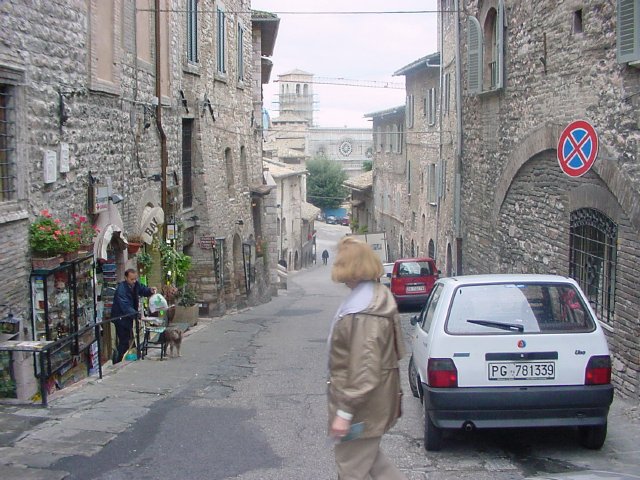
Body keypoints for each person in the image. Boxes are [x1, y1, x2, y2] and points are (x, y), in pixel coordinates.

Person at [327, 237, 406, 480]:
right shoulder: (373, 297)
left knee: (351, 467)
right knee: (373, 464)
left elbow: (365, 368)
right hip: (371, 401)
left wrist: (345, 412)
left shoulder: (364, 310)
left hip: (362, 406)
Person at [110, 268, 156, 364]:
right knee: (123, 340)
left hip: (128, 317)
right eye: (132, 279)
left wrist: (150, 291)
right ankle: (118, 361)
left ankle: (123, 358)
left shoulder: (135, 285)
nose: (134, 281)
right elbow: (125, 306)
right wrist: (136, 314)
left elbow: (142, 289)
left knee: (128, 339)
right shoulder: (121, 290)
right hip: (120, 317)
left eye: (135, 279)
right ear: (126, 278)